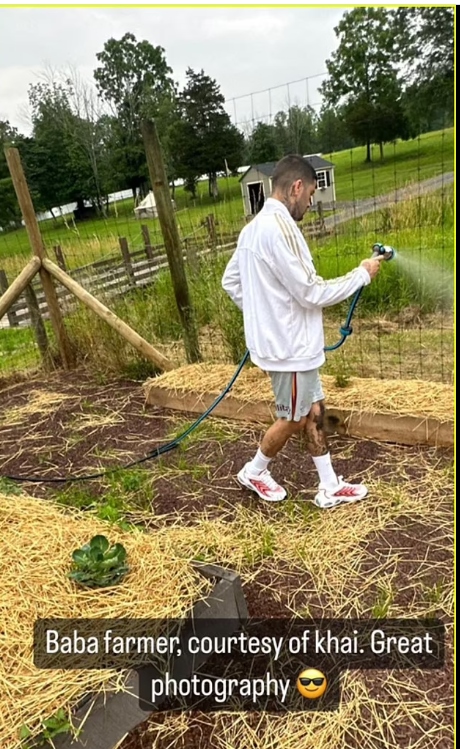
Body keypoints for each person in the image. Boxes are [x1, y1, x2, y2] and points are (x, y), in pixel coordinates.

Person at [221, 155, 384, 509]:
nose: (310, 203)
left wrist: (263, 315)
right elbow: (311, 291)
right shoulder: (279, 230)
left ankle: (329, 485)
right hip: (289, 349)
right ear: (296, 187)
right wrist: (362, 275)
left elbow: (231, 281)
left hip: (291, 345)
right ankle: (255, 471)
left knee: (316, 410)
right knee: (294, 418)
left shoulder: (254, 228)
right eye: (310, 194)